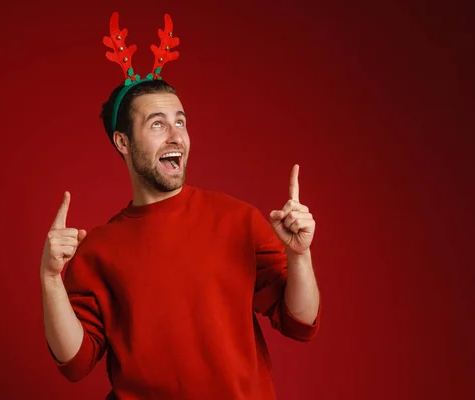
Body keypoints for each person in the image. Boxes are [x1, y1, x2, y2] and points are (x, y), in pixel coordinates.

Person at [41, 12, 321, 400]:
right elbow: (74, 362)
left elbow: (301, 322)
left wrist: (300, 256)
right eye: (157, 124)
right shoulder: (99, 250)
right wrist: (51, 280)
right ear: (123, 143)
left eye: (181, 121)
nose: (176, 135)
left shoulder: (238, 220)